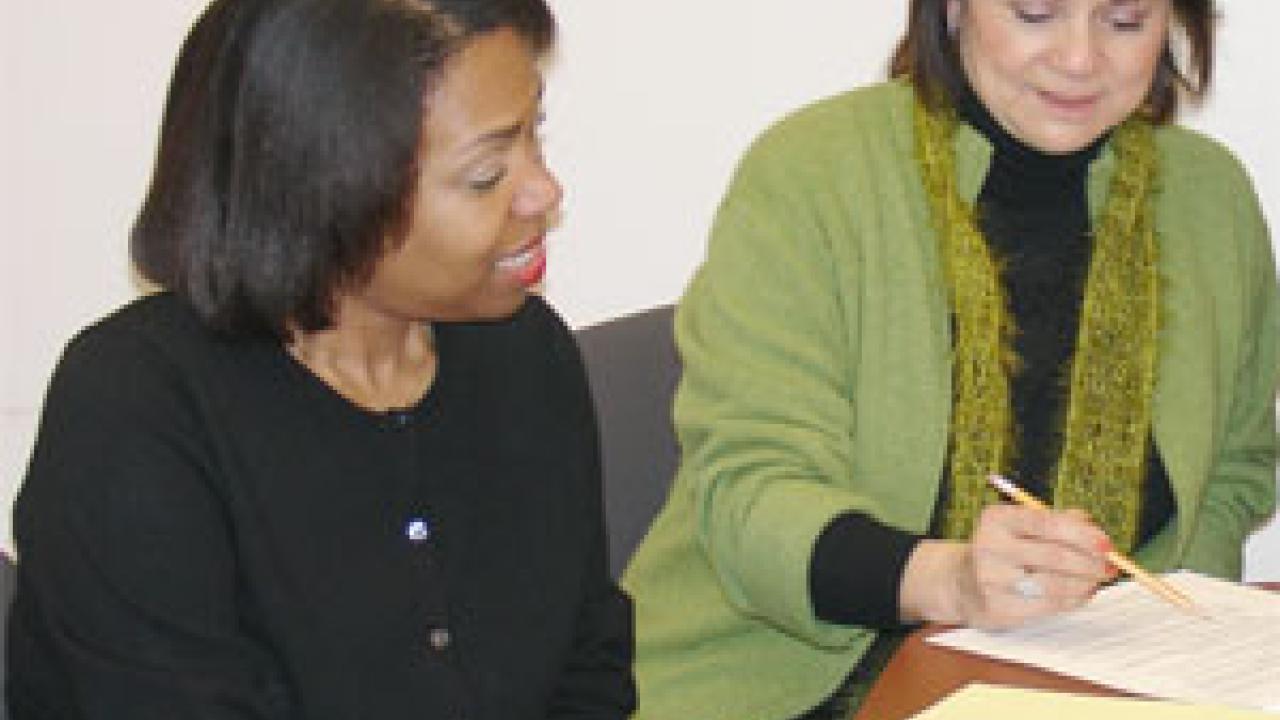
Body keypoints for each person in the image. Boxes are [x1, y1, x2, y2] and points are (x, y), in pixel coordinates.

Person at [622, 1, 1278, 718]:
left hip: (1091, 692)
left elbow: (1237, 463)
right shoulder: (811, 175)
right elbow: (750, 494)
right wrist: (953, 581)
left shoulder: (1210, 199)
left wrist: (1169, 636)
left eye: (1124, 21)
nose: (1081, 59)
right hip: (784, 692)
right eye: (1035, 13)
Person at [7, 1, 636, 717]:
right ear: (328, 191)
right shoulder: (136, 409)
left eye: (534, 138)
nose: (543, 191)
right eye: (486, 174)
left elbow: (589, 671)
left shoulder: (524, 355)